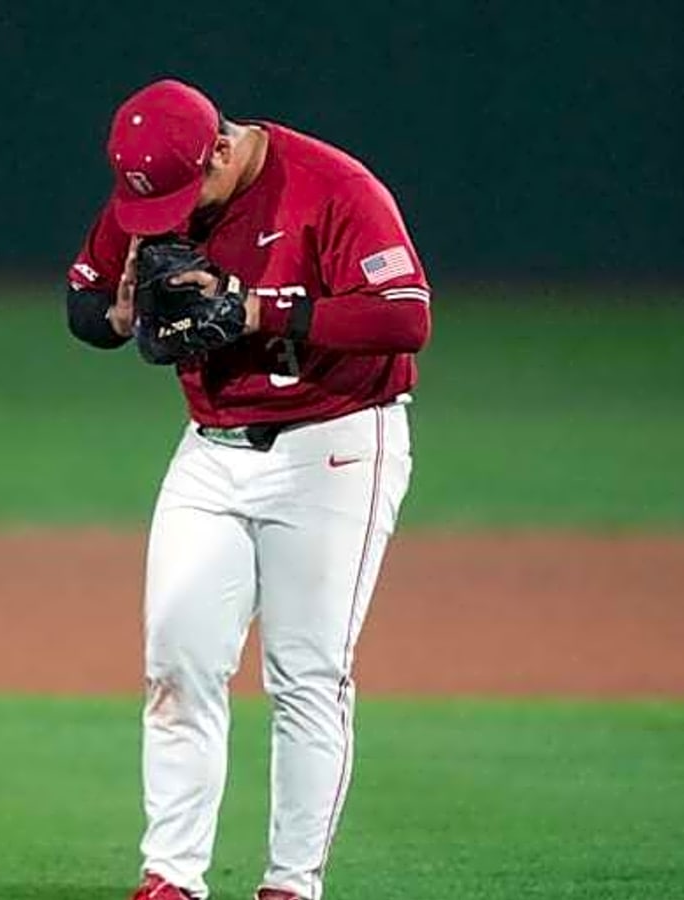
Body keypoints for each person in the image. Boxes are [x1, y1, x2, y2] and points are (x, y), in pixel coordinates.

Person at [65, 79, 431, 900]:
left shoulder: (334, 188)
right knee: (177, 660)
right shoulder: (153, 186)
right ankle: (171, 878)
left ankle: (291, 884)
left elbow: (406, 318)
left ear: (223, 149)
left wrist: (261, 311)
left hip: (335, 443)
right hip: (211, 446)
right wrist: (118, 317)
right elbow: (84, 304)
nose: (165, 220)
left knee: (307, 675)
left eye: (181, 197)